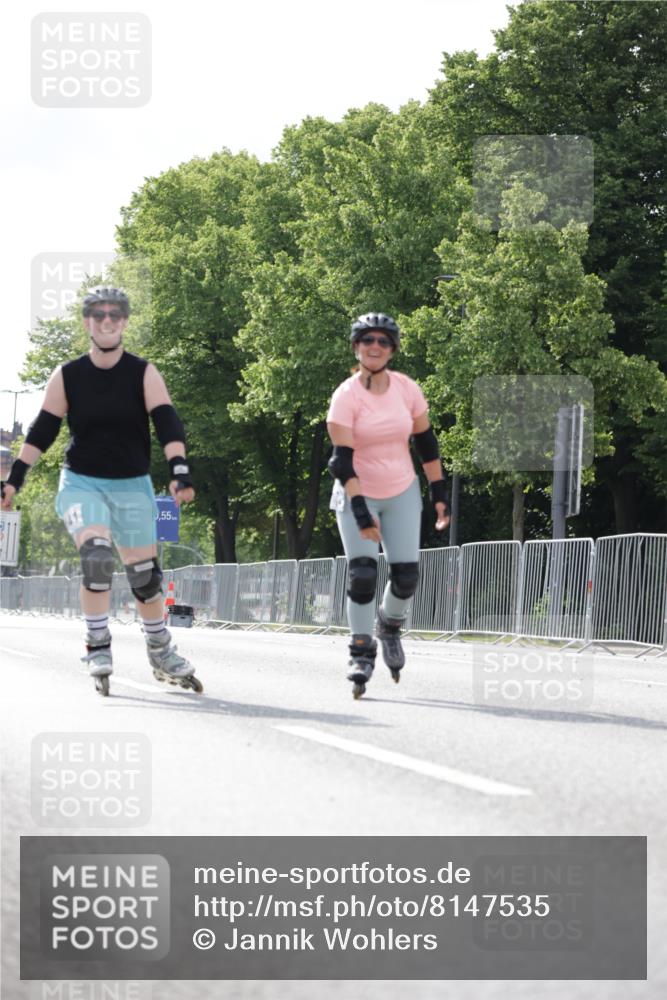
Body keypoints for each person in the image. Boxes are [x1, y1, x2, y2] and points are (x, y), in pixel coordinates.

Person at [0, 286, 201, 695]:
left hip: (131, 484)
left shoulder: (143, 372)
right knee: (95, 558)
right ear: (87, 321)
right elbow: (43, 429)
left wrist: (179, 471)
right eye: (98, 314)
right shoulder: (68, 374)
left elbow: (167, 422)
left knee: (144, 577)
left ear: (125, 321)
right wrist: (14, 478)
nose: (107, 321)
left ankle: (160, 649)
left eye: (115, 314)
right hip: (82, 482)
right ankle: (97, 643)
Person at [326, 312, 450, 698]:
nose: (375, 347)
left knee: (406, 577)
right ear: (356, 347)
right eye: (367, 340)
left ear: (392, 348)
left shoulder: (406, 389)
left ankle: (390, 625)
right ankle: (361, 649)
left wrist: (439, 493)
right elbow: (340, 461)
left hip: (401, 492)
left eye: (382, 341)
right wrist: (361, 512)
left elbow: (426, 443)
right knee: (362, 573)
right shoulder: (345, 396)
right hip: (356, 492)